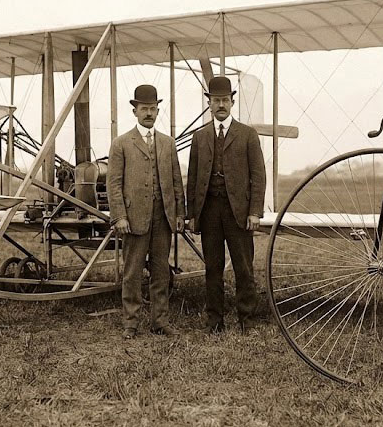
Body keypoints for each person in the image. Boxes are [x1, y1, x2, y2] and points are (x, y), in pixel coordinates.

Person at [187, 76, 266, 334]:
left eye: (225, 100)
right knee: (213, 267)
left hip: (238, 212)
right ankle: (214, 321)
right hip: (210, 211)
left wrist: (254, 212)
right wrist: (192, 214)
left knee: (243, 267)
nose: (220, 105)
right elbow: (193, 178)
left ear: (232, 102)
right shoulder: (200, 137)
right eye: (216, 100)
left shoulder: (247, 135)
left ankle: (247, 320)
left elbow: (258, 176)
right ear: (209, 104)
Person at [107, 84, 185, 339]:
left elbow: (176, 181)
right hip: (134, 219)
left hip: (163, 218)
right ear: (135, 111)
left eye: (153, 108)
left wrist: (179, 214)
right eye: (144, 109)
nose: (149, 113)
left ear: (158, 110)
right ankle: (130, 323)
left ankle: (159, 321)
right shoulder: (121, 144)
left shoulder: (168, 143)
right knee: (132, 273)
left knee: (161, 272)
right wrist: (119, 216)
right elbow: (113, 184)